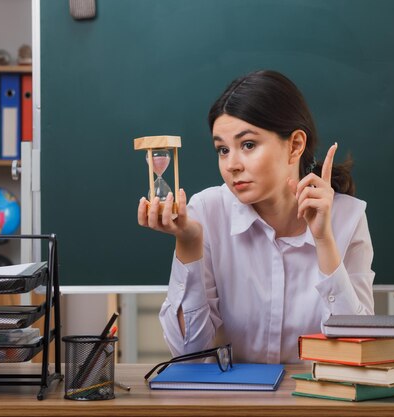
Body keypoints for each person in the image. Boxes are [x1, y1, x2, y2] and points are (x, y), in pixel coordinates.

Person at [137, 70, 374, 364]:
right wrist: (188, 243)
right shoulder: (207, 212)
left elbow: (357, 350)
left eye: (248, 145)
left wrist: (324, 240)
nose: (232, 165)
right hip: (230, 406)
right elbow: (189, 355)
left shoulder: (347, 218)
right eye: (222, 150)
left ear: (295, 145)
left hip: (316, 405)